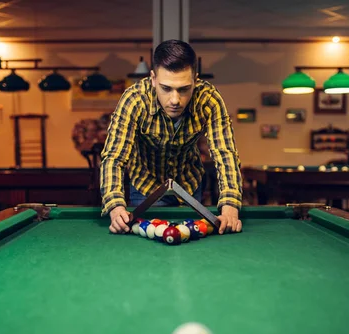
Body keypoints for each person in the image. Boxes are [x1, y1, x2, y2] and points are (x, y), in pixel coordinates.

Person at [99, 39, 243, 235]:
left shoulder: (209, 100)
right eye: (166, 88)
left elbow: (225, 154)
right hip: (145, 186)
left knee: (191, 241)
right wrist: (115, 208)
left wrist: (230, 207)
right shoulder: (134, 100)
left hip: (190, 183)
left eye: (184, 89)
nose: (175, 100)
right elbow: (114, 157)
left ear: (196, 80)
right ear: (153, 79)